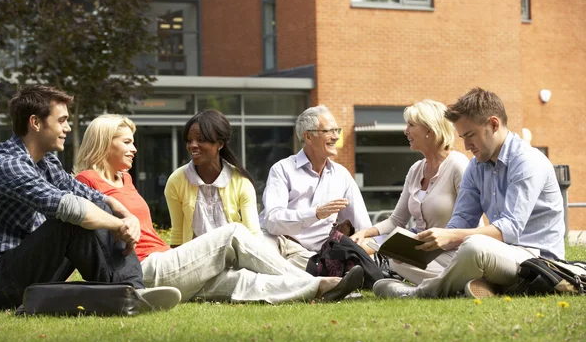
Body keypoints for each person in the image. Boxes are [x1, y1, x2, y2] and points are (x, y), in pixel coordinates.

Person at [74, 115, 364, 303]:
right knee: (231, 234)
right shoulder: (87, 181)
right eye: (126, 142)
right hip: (142, 269)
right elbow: (80, 232)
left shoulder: (123, 178)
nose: (134, 148)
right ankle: (322, 283)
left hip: (166, 261)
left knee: (240, 281)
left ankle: (322, 291)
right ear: (103, 143)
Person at [0, 85, 180, 310]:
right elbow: (70, 207)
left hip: (30, 272)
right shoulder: (7, 165)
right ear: (35, 123)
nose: (67, 128)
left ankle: (133, 291)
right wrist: (119, 225)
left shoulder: (47, 162)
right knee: (73, 221)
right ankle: (131, 293)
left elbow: (87, 194)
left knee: (97, 207)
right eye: (61, 120)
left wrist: (126, 214)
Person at [373, 88, 565, 299]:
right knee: (402, 258)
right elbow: (461, 220)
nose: (465, 145)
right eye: (463, 137)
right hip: (498, 256)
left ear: (493, 124)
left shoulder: (527, 161)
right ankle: (477, 286)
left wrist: (451, 236)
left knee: (474, 247)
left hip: (536, 261)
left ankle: (421, 293)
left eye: (470, 135)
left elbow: (510, 229)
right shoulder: (477, 166)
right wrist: (425, 247)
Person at [350, 100, 470, 285]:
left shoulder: (458, 165)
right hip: (426, 253)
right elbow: (396, 220)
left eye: (411, 125)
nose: (405, 131)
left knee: (395, 266)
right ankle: (453, 284)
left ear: (430, 130)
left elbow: (471, 222)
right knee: (396, 260)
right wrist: (366, 232)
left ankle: (445, 284)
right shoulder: (415, 170)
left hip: (458, 251)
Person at [259, 105, 373, 270]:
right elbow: (273, 221)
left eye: (337, 130)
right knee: (270, 263)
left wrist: (372, 248)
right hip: (278, 242)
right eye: (328, 131)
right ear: (308, 137)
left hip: (312, 254)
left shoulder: (342, 175)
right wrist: (316, 213)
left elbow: (364, 229)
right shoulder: (282, 169)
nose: (335, 137)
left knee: (309, 269)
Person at [164, 110, 260, 247]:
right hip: (194, 259)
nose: (192, 145)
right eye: (189, 140)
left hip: (234, 259)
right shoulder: (176, 181)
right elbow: (177, 235)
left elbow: (253, 233)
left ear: (220, 144)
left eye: (201, 140)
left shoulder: (241, 182)